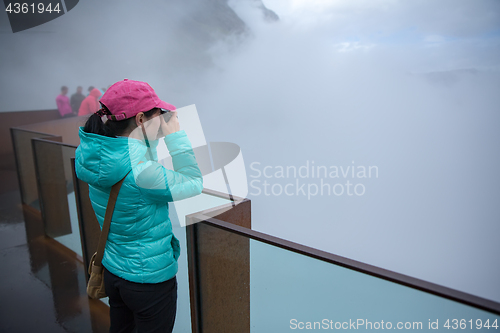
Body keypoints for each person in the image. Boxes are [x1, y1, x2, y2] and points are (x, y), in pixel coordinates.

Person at [75, 79, 203, 333]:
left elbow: (134, 158)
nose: (163, 119)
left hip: (114, 271)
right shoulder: (143, 173)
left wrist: (150, 134)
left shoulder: (96, 155)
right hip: (149, 282)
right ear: (141, 119)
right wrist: (175, 136)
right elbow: (193, 183)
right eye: (158, 114)